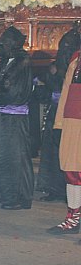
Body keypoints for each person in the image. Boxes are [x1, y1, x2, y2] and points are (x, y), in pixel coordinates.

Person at [37, 28, 80, 202]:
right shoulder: (62, 65)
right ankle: (55, 188)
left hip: (72, 116)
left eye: (68, 46)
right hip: (59, 115)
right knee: (55, 154)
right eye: (63, 46)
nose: (64, 50)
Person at [0, 26, 34, 210]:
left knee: (17, 157)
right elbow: (1, 85)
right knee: (6, 156)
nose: (1, 45)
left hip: (15, 117)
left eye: (4, 42)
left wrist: (1, 91)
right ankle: (7, 194)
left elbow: (13, 89)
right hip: (5, 115)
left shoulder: (22, 61)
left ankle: (20, 197)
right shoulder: (6, 61)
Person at [47, 40, 81, 235]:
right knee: (72, 171)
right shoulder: (76, 58)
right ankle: (73, 218)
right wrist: (59, 124)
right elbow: (66, 92)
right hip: (72, 121)